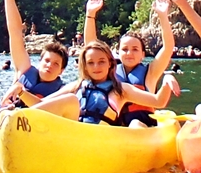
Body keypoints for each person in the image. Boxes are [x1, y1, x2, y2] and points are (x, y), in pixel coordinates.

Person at [84, 0, 179, 125]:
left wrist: (163, 16)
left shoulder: (150, 73)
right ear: (118, 52)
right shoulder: (110, 70)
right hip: (116, 125)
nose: (129, 53)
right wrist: (90, 14)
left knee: (135, 124)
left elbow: (168, 47)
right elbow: (91, 46)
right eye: (125, 49)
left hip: (143, 124)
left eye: (135, 49)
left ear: (142, 54)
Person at [32, 39, 174, 126]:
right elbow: (41, 104)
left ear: (110, 64)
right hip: (74, 131)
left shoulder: (122, 89)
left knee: (70, 100)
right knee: (69, 100)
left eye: (101, 62)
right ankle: (19, 120)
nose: (96, 67)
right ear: (85, 66)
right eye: (91, 63)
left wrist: (167, 80)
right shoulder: (76, 86)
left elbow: (158, 101)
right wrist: (20, 92)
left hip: (101, 136)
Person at [1, 0, 70, 110]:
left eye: (56, 64)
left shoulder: (62, 93)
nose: (49, 65)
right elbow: (15, 32)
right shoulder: (24, 71)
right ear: (39, 61)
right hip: (4, 122)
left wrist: (23, 92)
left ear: (62, 71)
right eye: (46, 60)